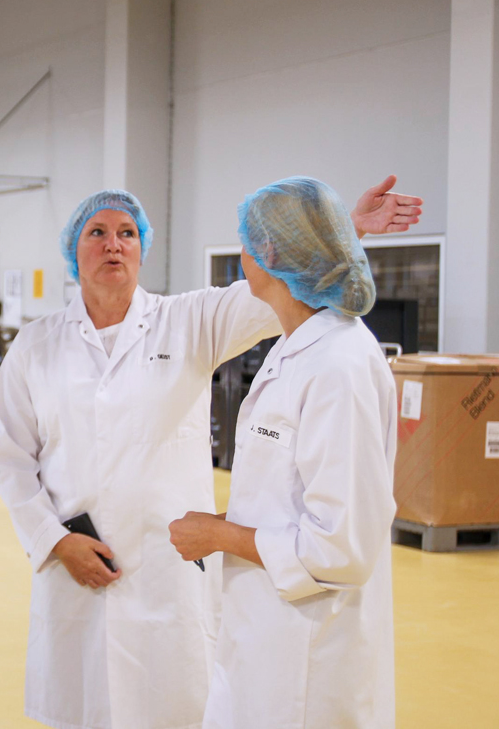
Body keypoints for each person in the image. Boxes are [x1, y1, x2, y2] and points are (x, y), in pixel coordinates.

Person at [0, 177, 419, 729]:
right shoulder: (35, 345)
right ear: (74, 250)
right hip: (74, 564)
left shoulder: (187, 322)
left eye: (126, 233)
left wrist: (344, 230)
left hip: (170, 570)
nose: (113, 244)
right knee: (84, 707)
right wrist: (55, 541)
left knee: (172, 706)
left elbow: (280, 284)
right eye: (97, 233)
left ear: (143, 248)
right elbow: (11, 460)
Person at [168, 177, 396, 729]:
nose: (240, 255)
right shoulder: (296, 349)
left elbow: (342, 549)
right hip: (266, 636)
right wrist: (226, 522)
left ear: (266, 253)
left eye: (244, 242)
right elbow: (291, 500)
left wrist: (219, 535)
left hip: (308, 658)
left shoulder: (337, 365)